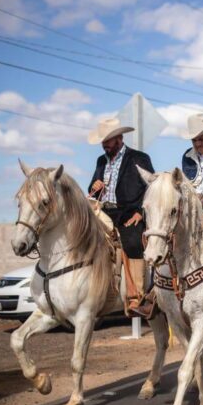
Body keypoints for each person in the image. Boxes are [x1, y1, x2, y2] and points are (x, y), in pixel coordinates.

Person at [87, 118, 154, 313]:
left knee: (132, 241)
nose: (105, 145)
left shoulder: (139, 158)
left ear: (119, 138)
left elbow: (151, 187)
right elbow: (92, 189)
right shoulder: (101, 161)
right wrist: (94, 187)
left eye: (108, 140)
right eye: (103, 141)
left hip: (129, 212)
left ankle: (137, 298)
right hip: (104, 211)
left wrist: (141, 213)